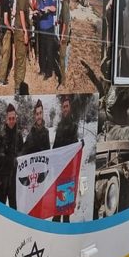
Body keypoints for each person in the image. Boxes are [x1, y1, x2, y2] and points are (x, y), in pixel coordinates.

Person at [0, 103, 23, 208]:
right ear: (6, 120)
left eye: (13, 118)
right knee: (0, 212)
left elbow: (24, 155)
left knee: (14, 213)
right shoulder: (1, 137)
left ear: (16, 118)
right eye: (10, 118)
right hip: (1, 183)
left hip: (14, 183)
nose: (12, 121)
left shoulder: (19, 136)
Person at [51, 94, 79, 222]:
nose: (65, 109)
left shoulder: (74, 125)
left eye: (67, 106)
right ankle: (56, 221)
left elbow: (73, 146)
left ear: (71, 108)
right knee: (58, 202)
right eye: (63, 107)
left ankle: (65, 224)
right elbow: (56, 145)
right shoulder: (60, 126)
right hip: (59, 170)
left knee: (66, 205)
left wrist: (79, 144)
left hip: (69, 170)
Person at [14, 0, 33, 94]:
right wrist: (25, 31)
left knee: (20, 59)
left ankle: (18, 84)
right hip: (21, 30)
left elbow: (26, 9)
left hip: (22, 29)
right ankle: (18, 88)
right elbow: (21, 11)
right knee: (21, 60)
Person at [0, 0, 16, 87]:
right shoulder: (4, 0)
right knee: (5, 55)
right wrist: (11, 28)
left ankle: (2, 77)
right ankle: (1, 79)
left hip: (4, 30)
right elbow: (5, 19)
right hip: (6, 31)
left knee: (4, 54)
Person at [34, 0, 57, 80]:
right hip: (41, 31)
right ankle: (42, 70)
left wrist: (48, 7)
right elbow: (38, 11)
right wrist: (36, 13)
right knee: (42, 51)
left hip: (49, 30)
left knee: (49, 51)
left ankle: (49, 73)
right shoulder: (40, 2)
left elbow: (54, 9)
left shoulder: (50, 1)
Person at [57, 0, 71, 87]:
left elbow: (66, 23)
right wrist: (58, 21)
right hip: (64, 33)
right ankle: (63, 78)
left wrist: (62, 36)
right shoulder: (65, 3)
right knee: (62, 56)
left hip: (64, 35)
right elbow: (63, 19)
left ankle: (63, 81)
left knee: (61, 58)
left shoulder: (65, 4)